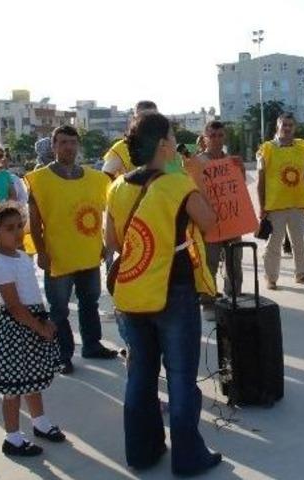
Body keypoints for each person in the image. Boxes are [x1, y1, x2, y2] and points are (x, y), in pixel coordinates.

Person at [105, 112, 222, 474]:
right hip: (174, 290)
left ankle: (142, 451)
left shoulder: (117, 187)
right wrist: (190, 179)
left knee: (140, 375)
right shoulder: (177, 184)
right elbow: (210, 223)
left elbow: (111, 242)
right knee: (181, 378)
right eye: (172, 136)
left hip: (131, 292)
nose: (176, 142)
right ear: (163, 145)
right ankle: (188, 458)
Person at [26, 125, 118, 374]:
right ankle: (62, 354)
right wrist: (41, 251)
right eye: (63, 142)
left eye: (73, 142)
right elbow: (35, 221)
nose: (69, 147)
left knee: (90, 302)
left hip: (88, 253)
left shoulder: (95, 179)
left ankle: (92, 344)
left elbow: (104, 215)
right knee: (59, 309)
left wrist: (103, 244)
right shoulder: (39, 180)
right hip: (57, 256)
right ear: (54, 146)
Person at [0, 202, 65, 457]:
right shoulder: (0, 265)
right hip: (18, 328)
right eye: (9, 228)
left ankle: (39, 422)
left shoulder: (19, 255)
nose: (17, 233)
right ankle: (13, 438)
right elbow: (15, 306)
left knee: (32, 380)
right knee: (13, 389)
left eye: (19, 226)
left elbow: (31, 293)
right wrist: (40, 327)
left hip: (33, 321)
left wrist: (43, 319)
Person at [185, 121, 243, 311]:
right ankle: (208, 301)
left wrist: (240, 169)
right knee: (209, 262)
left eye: (220, 136)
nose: (217, 140)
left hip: (231, 221)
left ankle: (233, 298)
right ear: (205, 138)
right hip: (208, 222)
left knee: (234, 262)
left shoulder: (232, 161)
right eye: (212, 136)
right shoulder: (197, 163)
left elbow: (239, 190)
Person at [257, 113, 304, 290]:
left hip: (297, 204)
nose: (288, 128)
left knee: (299, 242)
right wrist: (262, 206)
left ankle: (302, 274)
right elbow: (261, 180)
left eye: (291, 125)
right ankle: (271, 277)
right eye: (284, 125)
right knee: (274, 243)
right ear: (278, 127)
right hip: (275, 206)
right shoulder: (266, 149)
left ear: (295, 127)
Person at [102, 100, 183, 178]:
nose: (148, 122)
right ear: (134, 120)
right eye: (143, 118)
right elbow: (105, 176)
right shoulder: (120, 147)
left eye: (154, 118)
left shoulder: (167, 145)